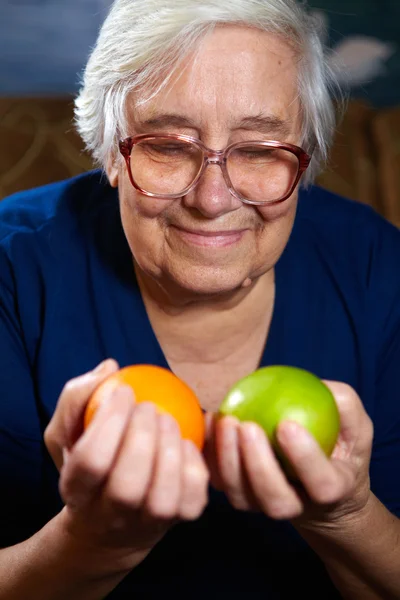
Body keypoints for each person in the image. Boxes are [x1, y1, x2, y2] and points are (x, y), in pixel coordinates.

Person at [0, 0, 399, 598]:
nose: (212, 199)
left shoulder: (378, 269)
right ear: (111, 151)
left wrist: (345, 518)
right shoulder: (11, 269)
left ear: (306, 156)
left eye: (261, 150)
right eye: (167, 144)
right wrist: (90, 545)